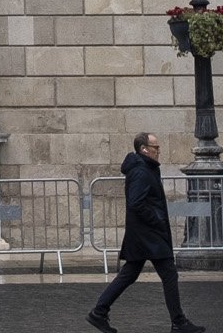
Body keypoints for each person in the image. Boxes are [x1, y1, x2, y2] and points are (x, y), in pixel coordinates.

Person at [87, 130, 199, 333]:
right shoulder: (141, 170)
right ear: (144, 149)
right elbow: (136, 202)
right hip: (148, 233)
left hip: (143, 233)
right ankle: (179, 322)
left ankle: (99, 312)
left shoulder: (145, 167)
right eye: (156, 147)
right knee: (169, 274)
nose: (159, 151)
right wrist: (156, 220)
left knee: (130, 274)